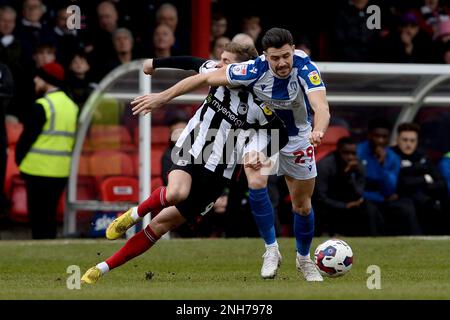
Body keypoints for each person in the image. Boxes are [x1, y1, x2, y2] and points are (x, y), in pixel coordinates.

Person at [130, 28, 331, 281]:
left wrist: (318, 130)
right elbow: (203, 77)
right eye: (275, 58)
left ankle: (303, 259)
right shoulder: (253, 69)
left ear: (292, 50)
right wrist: (162, 97)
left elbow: (321, 107)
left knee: (302, 206)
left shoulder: (305, 68)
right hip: (263, 132)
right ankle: (271, 250)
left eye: (285, 56)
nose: (281, 63)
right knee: (255, 176)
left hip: (298, 137)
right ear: (265, 56)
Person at [80, 42, 287, 284]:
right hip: (195, 146)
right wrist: (154, 64)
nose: (220, 65)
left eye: (226, 62)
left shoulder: (258, 102)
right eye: (220, 59)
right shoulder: (215, 72)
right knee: (177, 192)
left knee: (160, 225)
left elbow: (280, 133)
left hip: (222, 170)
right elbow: (190, 62)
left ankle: (102, 268)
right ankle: (134, 214)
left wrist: (263, 152)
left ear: (241, 69)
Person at [15, 62, 79, 239]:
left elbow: (27, 138)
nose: (35, 80)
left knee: (37, 218)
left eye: (39, 77)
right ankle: (50, 247)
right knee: (50, 216)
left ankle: (38, 248)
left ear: (47, 80)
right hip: (60, 170)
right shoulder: (72, 105)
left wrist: (19, 160)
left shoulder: (43, 105)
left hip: (37, 169)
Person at [357, 118, 421, 235]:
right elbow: (358, 183)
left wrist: (383, 164)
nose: (380, 140)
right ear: (369, 135)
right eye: (377, 136)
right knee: (370, 209)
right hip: (364, 197)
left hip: (383, 198)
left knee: (407, 206)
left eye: (384, 137)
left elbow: (389, 189)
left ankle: (416, 240)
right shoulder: (358, 152)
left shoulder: (392, 157)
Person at [391, 122, 447, 234]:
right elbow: (400, 183)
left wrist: (418, 182)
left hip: (424, 198)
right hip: (400, 199)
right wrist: (424, 179)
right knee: (409, 206)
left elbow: (441, 183)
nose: (408, 144)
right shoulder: (391, 155)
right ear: (397, 139)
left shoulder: (422, 156)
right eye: (405, 140)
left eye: (412, 141)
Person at [314, 137, 376, 236]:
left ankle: (372, 238)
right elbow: (320, 198)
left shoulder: (358, 166)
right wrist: (344, 206)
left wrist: (350, 176)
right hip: (329, 206)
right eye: (346, 153)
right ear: (338, 152)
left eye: (353, 153)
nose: (350, 157)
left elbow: (359, 193)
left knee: (369, 208)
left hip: (349, 204)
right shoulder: (325, 166)